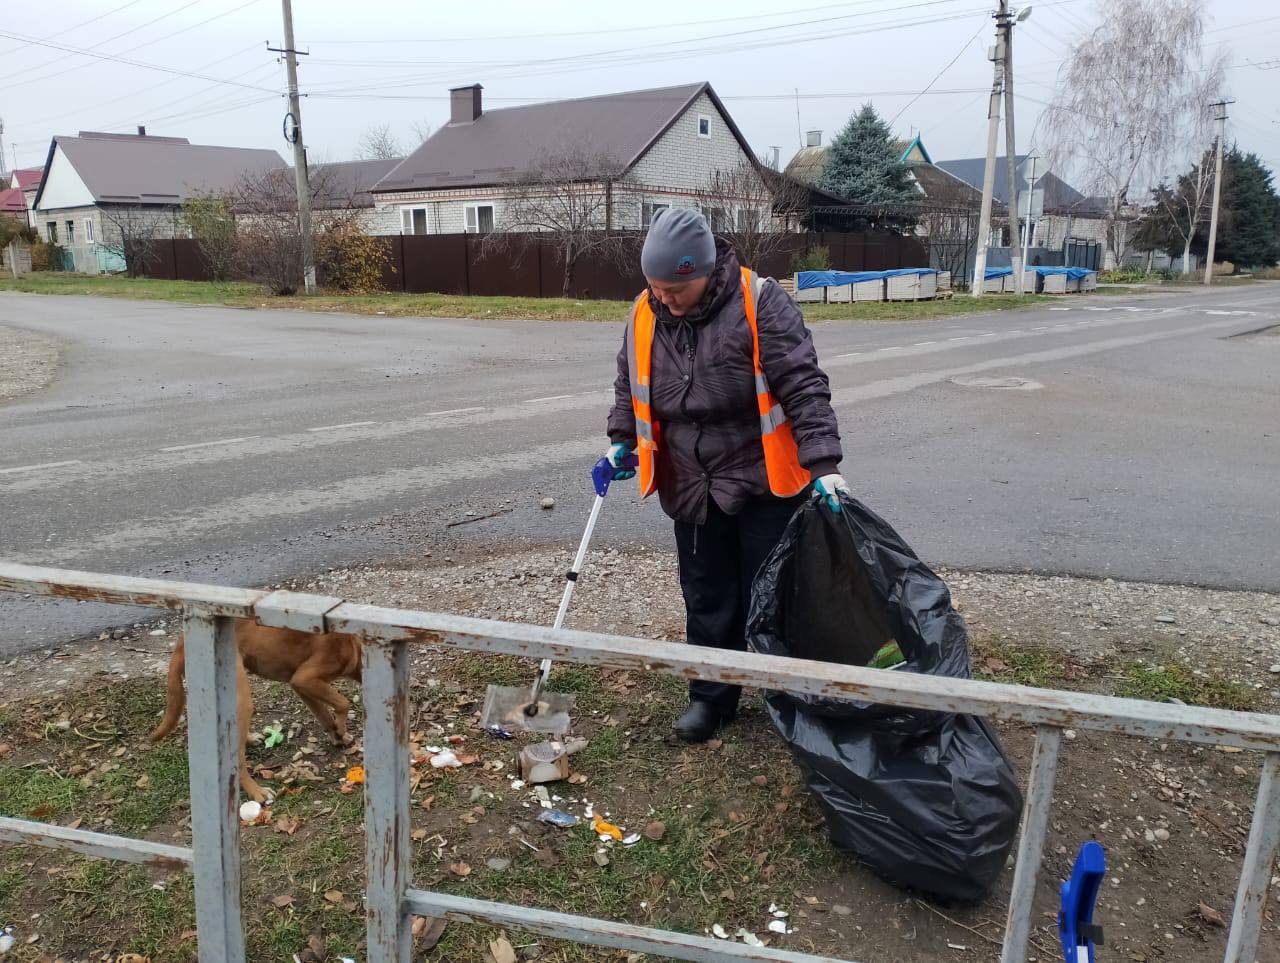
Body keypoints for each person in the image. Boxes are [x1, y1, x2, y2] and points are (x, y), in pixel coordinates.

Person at [606, 208, 847, 742]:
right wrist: (622, 439)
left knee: (773, 594)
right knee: (707, 595)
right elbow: (630, 381)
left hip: (762, 479)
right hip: (689, 481)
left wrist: (824, 464)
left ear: (705, 273)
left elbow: (804, 385)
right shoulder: (644, 313)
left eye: (674, 288)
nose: (663, 298)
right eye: (654, 286)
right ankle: (711, 699)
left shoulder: (760, 303)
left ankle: (788, 698)